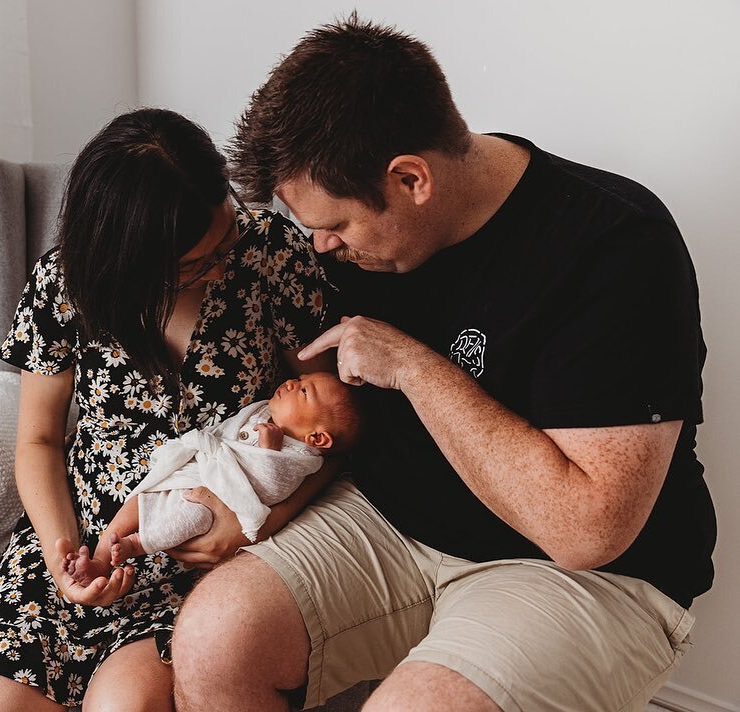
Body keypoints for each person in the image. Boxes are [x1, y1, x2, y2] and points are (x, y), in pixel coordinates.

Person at [172, 15, 715, 712]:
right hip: (388, 523)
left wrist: (414, 367)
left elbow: (588, 530)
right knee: (212, 640)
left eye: (334, 225)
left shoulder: (614, 245)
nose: (322, 245)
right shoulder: (356, 241)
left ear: (410, 179)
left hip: (579, 572)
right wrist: (257, 507)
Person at [0, 107, 340, 712]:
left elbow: (335, 424)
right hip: (82, 536)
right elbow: (38, 441)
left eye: (226, 233)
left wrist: (257, 523)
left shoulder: (269, 253)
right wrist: (64, 559)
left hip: (202, 554)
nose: (223, 260)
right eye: (197, 262)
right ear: (132, 264)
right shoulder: (64, 285)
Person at [63, 371, 363, 586]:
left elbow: (271, 490)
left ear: (317, 438)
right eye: (299, 379)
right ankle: (100, 558)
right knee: (142, 497)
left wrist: (269, 453)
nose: (292, 383)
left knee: (196, 516)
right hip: (197, 469)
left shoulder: (300, 457)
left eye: (304, 392)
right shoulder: (265, 411)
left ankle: (137, 544)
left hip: (217, 496)